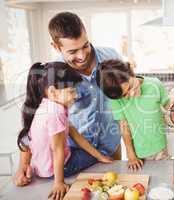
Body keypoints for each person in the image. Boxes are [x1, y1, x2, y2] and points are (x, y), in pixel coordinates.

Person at [14, 12, 121, 186]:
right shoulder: (54, 76)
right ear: (56, 47)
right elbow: (33, 123)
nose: (82, 55)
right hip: (75, 156)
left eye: (85, 46)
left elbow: (127, 90)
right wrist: (23, 166)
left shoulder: (112, 56)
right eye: (72, 51)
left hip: (112, 145)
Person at [17, 62, 112, 200]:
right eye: (71, 91)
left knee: (97, 154)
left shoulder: (48, 104)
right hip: (55, 170)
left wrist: (98, 156)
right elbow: (58, 150)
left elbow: (73, 133)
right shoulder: (56, 113)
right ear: (52, 92)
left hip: (42, 166)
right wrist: (59, 183)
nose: (76, 95)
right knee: (104, 151)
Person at [98, 59, 170, 171]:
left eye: (130, 87)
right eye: (124, 95)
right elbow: (124, 126)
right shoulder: (116, 100)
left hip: (161, 148)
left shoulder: (155, 85)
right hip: (138, 153)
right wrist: (131, 154)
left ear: (131, 71)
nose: (131, 94)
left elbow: (170, 109)